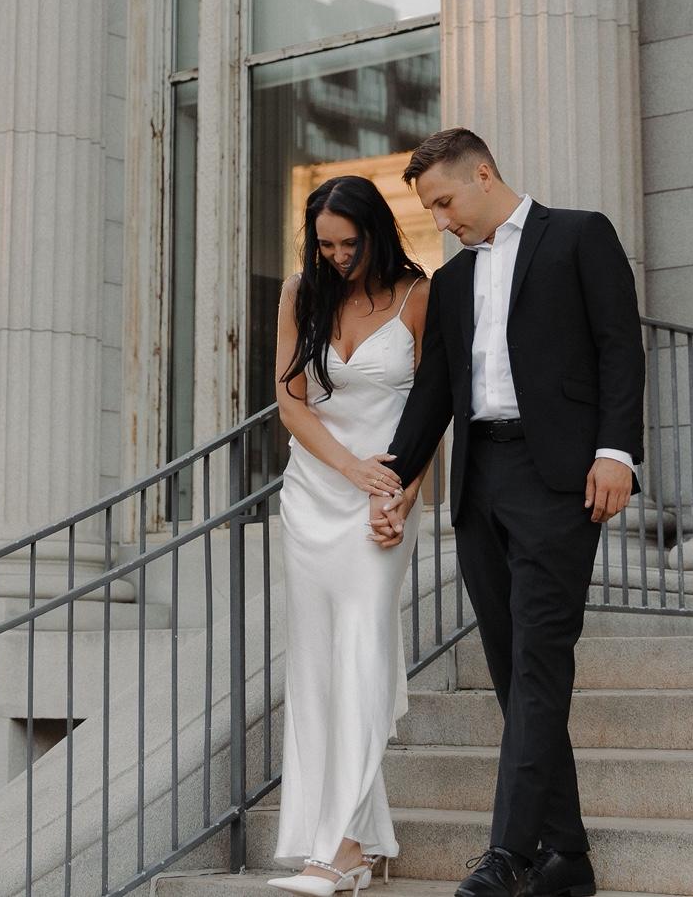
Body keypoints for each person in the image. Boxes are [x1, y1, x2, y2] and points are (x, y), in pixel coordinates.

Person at [371, 128, 645, 897]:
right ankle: (569, 856)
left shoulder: (581, 236)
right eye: (430, 209)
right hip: (481, 482)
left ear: (483, 175)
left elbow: (620, 347)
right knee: (508, 668)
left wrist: (617, 452)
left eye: (444, 202)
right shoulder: (452, 280)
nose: (440, 220)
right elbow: (434, 390)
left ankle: (510, 856)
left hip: (560, 479)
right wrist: (393, 476)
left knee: (537, 664)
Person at [268, 174, 431, 897]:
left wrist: (399, 493)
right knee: (316, 669)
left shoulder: (418, 296)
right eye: (325, 244)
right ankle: (347, 846)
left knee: (362, 657)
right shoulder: (301, 292)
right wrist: (349, 469)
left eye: (349, 243)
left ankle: (337, 848)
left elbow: (432, 410)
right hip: (312, 496)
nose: (336, 256)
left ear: (376, 233)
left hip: (385, 504)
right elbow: (291, 404)